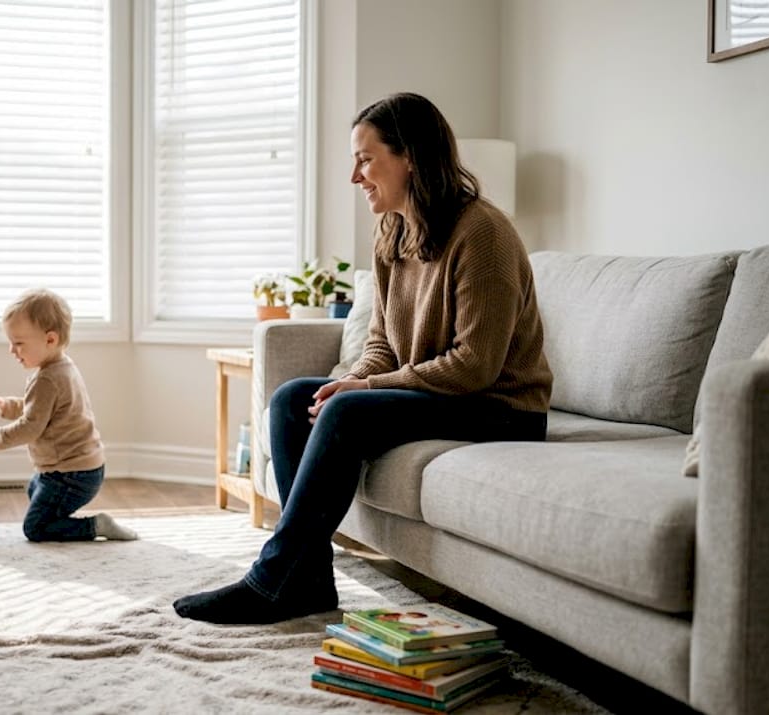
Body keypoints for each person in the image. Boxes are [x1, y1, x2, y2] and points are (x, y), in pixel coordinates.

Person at [173, 92, 553, 624]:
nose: (356, 176)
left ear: (411, 158)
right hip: (443, 395)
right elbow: (382, 342)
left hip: (500, 408)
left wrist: (365, 391)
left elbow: (475, 365)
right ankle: (308, 578)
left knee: (348, 411)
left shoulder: (484, 234)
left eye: (366, 159)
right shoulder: (392, 231)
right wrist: (350, 378)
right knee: (292, 400)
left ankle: (272, 578)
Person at [0, 288, 137, 543]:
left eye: (19, 343)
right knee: (34, 489)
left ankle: (95, 525)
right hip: (78, 469)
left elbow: (31, 426)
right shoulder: (61, 367)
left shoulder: (48, 378)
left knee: (35, 528)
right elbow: (38, 408)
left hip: (71, 474)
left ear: (50, 340)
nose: (12, 350)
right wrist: (6, 406)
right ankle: (53, 510)